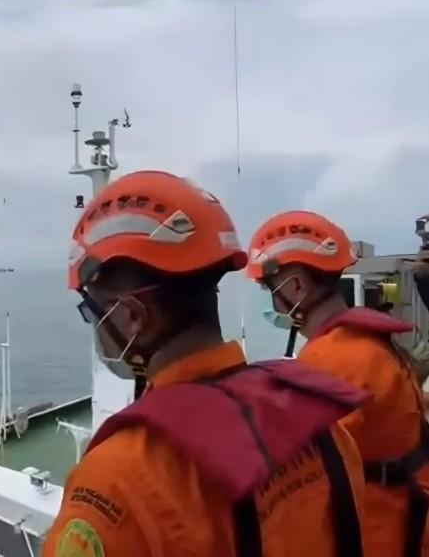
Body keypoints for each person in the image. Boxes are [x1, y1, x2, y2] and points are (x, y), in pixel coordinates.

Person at [43, 170, 370, 557]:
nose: (94, 326)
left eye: (92, 311)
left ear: (130, 316)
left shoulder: (114, 483)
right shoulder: (324, 427)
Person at [247, 210, 429, 557]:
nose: (270, 300)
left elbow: (303, 479)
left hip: (384, 535)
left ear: (297, 286)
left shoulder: (333, 360)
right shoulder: (362, 343)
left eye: (268, 288)